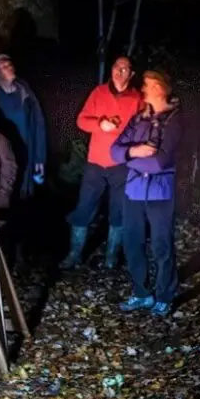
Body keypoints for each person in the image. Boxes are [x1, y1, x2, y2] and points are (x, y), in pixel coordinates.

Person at [110, 70, 183, 317]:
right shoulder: (139, 118)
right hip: (134, 191)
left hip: (160, 193)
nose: (143, 89)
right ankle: (142, 293)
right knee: (133, 243)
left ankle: (165, 295)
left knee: (162, 246)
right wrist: (137, 152)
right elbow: (114, 151)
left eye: (149, 85)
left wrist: (128, 157)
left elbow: (160, 162)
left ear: (162, 88)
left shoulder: (175, 120)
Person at [59, 56, 141, 270]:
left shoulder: (137, 99)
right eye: (117, 67)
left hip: (122, 165)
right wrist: (99, 123)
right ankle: (74, 254)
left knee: (119, 211)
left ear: (131, 74)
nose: (120, 71)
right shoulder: (99, 92)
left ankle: (111, 258)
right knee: (84, 207)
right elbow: (81, 120)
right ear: (112, 70)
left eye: (125, 69)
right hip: (95, 164)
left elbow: (144, 127)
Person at [0, 54, 47, 200]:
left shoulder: (24, 90)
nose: (9, 67)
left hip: (28, 149)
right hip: (6, 153)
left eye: (9, 64)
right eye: (3, 67)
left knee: (25, 196)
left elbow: (38, 123)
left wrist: (40, 158)